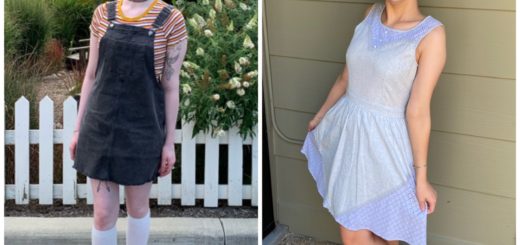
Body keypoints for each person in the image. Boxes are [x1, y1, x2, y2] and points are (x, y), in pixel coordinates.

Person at [300, 1, 446, 244]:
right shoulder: (370, 14)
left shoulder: (431, 35)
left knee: (388, 233)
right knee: (353, 232)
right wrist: (321, 115)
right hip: (349, 136)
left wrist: (422, 178)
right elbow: (346, 76)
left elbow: (418, 111)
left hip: (388, 145)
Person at [68, 0, 188, 244]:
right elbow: (91, 75)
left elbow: (170, 87)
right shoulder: (103, 14)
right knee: (102, 214)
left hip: (143, 130)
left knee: (138, 208)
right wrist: (78, 129)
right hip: (100, 127)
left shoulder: (171, 20)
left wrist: (169, 143)